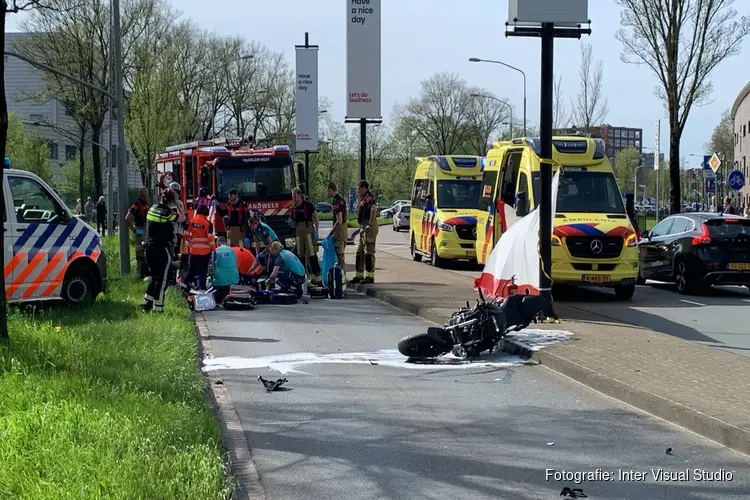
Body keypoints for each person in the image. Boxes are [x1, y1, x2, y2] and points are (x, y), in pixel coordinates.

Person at [141, 189, 179, 313]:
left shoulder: (152, 208)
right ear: (171, 200)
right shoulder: (167, 212)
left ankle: (146, 304)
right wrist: (177, 204)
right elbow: (182, 218)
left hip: (148, 249)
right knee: (163, 280)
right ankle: (158, 309)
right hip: (161, 249)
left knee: (155, 277)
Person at [291, 187, 321, 282]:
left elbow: (316, 217)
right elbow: (293, 221)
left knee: (311, 253)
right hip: (299, 232)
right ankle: (304, 276)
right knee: (300, 255)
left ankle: (317, 276)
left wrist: (316, 231)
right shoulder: (293, 208)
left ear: (300, 195)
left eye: (295, 197)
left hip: (308, 230)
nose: (294, 199)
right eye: (293, 197)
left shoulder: (308, 205)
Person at [352, 180, 378, 284]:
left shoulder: (369, 197)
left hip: (368, 226)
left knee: (369, 252)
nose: (358, 191)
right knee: (360, 252)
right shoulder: (364, 199)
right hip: (364, 226)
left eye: (359, 189)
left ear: (364, 188)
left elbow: (373, 209)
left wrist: (370, 224)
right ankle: (359, 275)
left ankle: (369, 276)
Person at [184, 205, 215, 290]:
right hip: (205, 253)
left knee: (191, 271)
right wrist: (214, 249)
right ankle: (202, 290)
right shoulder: (208, 224)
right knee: (203, 271)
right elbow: (210, 238)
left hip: (193, 251)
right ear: (206, 213)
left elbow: (186, 234)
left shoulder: (191, 221)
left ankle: (183, 286)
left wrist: (190, 242)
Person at [125, 187, 150, 279]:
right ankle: (139, 274)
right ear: (141, 194)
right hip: (140, 229)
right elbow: (127, 218)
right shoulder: (137, 204)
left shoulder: (146, 203)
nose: (147, 193)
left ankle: (145, 273)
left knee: (146, 252)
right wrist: (134, 230)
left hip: (146, 229)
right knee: (140, 253)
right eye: (145, 192)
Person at [212, 236, 239, 303]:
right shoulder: (233, 251)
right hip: (234, 280)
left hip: (220, 281)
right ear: (226, 243)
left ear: (217, 244)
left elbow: (213, 268)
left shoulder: (215, 251)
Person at [327, 182, 348, 267]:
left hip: (339, 230)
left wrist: (332, 233)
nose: (328, 193)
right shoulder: (341, 199)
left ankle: (341, 277)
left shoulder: (336, 202)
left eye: (328, 191)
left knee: (340, 255)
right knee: (341, 253)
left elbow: (339, 220)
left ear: (331, 190)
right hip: (344, 228)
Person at [167, 181, 187, 253]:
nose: (175, 194)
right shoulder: (168, 203)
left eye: (177, 192)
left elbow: (182, 215)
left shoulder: (180, 203)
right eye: (173, 192)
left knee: (179, 250)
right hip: (172, 230)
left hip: (179, 231)